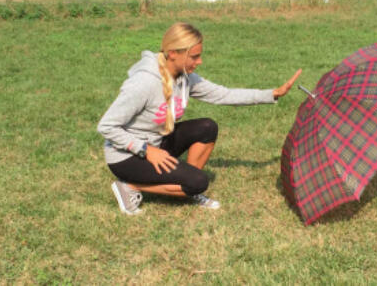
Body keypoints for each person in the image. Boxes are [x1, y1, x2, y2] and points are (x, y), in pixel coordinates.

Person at [97, 22, 300, 215]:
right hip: (126, 156)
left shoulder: (185, 78)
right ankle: (129, 186)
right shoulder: (144, 82)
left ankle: (185, 185)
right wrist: (146, 150)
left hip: (156, 143)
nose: (199, 61)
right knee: (199, 182)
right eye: (194, 56)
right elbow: (107, 126)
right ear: (173, 54)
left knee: (207, 127)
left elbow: (224, 95)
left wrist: (272, 94)